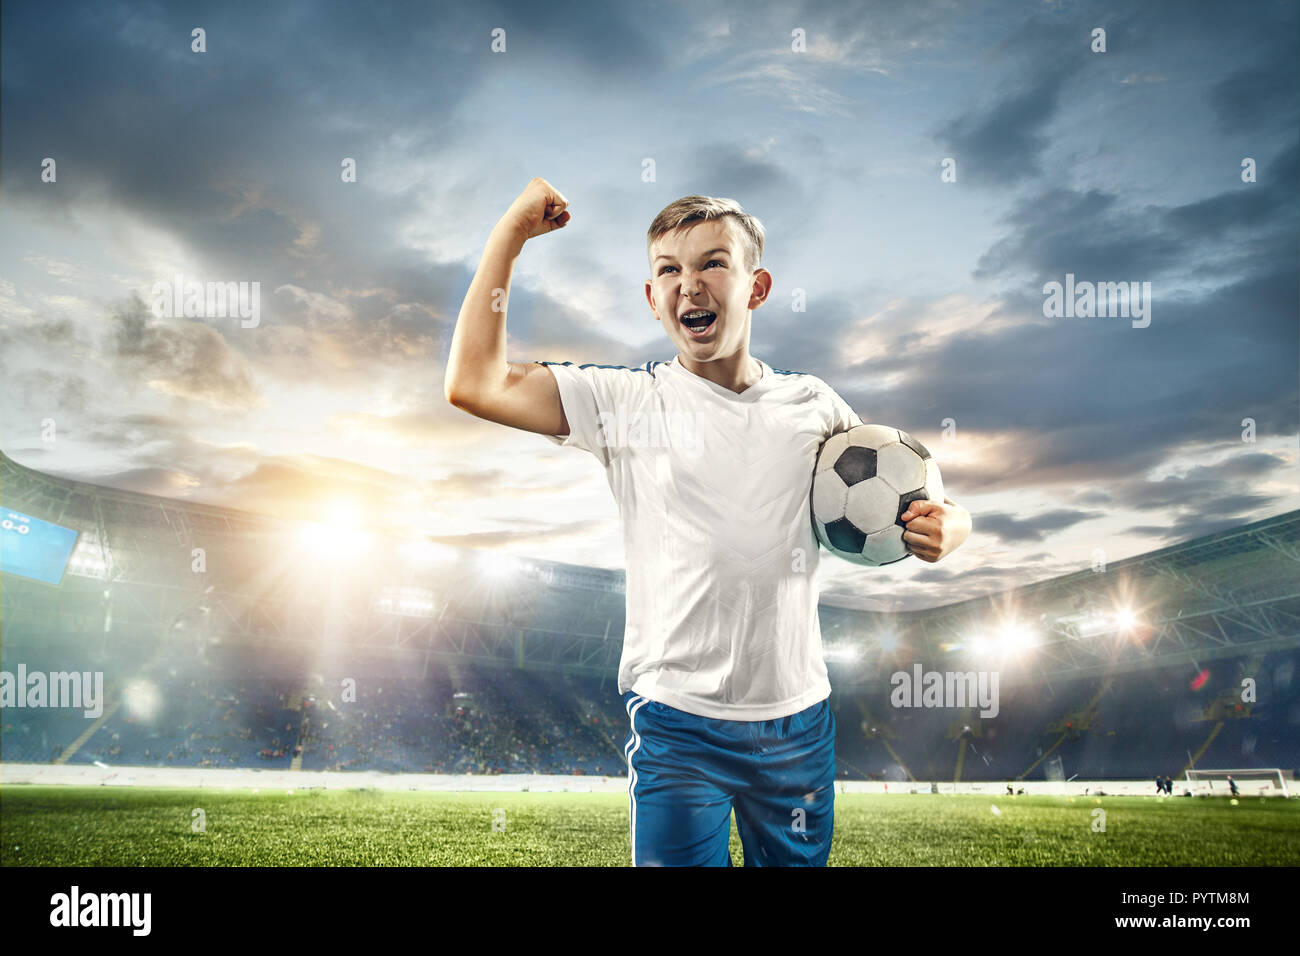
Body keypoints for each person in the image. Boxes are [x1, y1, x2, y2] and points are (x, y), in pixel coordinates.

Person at [445, 179, 972, 866]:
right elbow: (473, 383)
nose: (689, 284)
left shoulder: (812, 404)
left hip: (797, 722)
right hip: (677, 724)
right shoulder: (625, 401)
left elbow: (923, 495)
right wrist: (511, 233)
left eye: (713, 263)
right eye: (669, 270)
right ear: (651, 298)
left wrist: (952, 526)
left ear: (756, 287)